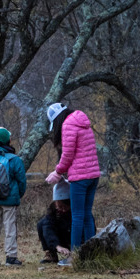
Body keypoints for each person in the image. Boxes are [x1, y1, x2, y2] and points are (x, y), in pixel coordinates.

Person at [44, 103, 101, 266]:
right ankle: (92, 254)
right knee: (87, 215)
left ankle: (74, 256)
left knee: (77, 216)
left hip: (80, 177)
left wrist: (57, 172)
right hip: (93, 175)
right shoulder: (82, 121)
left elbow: (68, 154)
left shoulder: (68, 125)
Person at [0, 127, 27, 266]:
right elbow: (21, 181)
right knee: (10, 228)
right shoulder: (14, 160)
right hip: (9, 200)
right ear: (8, 140)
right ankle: (11, 257)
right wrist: (17, 196)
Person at [36, 181, 72, 264]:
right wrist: (57, 246)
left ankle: (75, 253)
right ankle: (51, 253)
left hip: (72, 238)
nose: (62, 209)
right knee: (42, 223)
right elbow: (47, 227)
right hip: (59, 240)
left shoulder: (78, 211)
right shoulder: (52, 211)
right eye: (59, 206)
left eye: (65, 207)